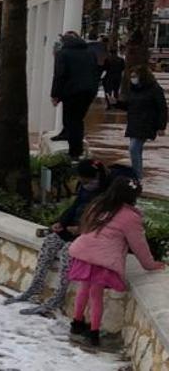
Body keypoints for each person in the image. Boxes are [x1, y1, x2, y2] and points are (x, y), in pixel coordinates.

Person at [66, 176, 165, 347]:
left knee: (84, 288)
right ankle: (94, 333)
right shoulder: (130, 217)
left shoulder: (98, 205)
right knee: (96, 295)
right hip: (102, 260)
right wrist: (150, 264)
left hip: (84, 253)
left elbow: (85, 227)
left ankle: (76, 324)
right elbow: (139, 244)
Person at [9, 160, 108, 316]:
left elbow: (105, 220)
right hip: (71, 229)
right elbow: (75, 207)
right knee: (49, 243)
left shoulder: (106, 192)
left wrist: (82, 229)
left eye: (85, 179)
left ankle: (58, 297)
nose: (82, 182)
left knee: (67, 253)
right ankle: (36, 286)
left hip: (88, 234)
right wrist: (61, 222)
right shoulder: (84, 188)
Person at [51, 31, 100, 159]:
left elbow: (59, 75)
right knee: (78, 119)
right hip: (88, 91)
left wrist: (55, 94)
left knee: (71, 120)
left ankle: (75, 151)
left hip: (71, 92)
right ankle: (76, 148)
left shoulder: (63, 54)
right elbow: (96, 73)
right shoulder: (90, 53)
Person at [124, 65, 167, 179]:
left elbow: (162, 108)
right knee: (136, 150)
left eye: (135, 76)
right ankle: (137, 175)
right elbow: (129, 105)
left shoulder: (154, 89)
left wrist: (161, 126)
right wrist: (116, 103)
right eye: (131, 76)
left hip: (147, 123)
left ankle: (137, 176)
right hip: (134, 123)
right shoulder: (133, 89)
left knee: (133, 148)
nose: (133, 79)